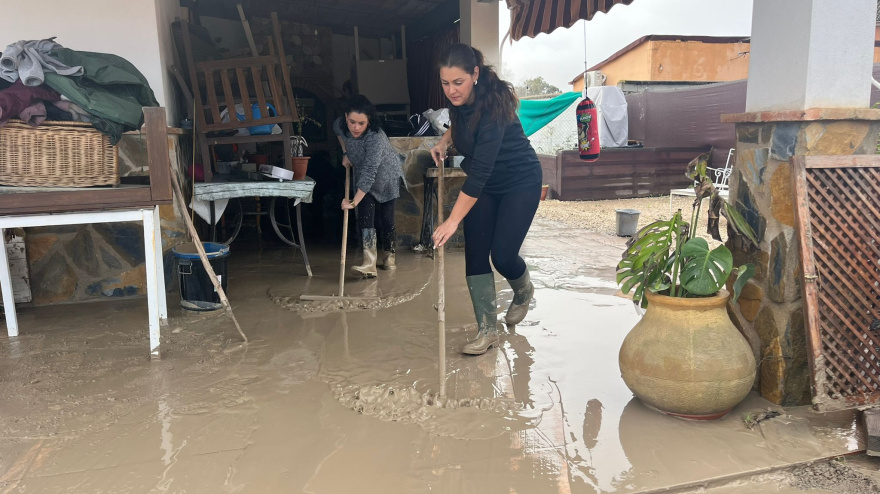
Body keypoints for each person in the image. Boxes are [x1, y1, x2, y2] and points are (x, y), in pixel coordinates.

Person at [431, 43, 543, 356]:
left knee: (503, 256)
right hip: (488, 185)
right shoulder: (460, 102)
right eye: (445, 83)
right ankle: (487, 331)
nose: (451, 90)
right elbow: (460, 123)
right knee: (476, 252)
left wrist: (452, 221)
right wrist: (444, 141)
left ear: (475, 74)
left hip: (520, 181)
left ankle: (524, 290)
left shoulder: (494, 108)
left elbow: (479, 172)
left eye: (458, 82)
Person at [335, 95, 404, 278]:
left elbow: (370, 171)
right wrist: (345, 153)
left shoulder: (376, 137)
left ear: (369, 121)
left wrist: (353, 202)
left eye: (361, 123)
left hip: (387, 176)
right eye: (352, 122)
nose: (356, 127)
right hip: (364, 176)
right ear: (346, 117)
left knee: (386, 219)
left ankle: (389, 258)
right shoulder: (341, 125)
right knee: (366, 217)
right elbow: (337, 130)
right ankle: (369, 263)